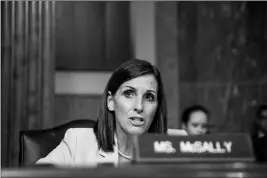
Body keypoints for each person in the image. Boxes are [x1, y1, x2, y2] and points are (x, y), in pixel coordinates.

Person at [36, 59, 187, 167]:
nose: (139, 106)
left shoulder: (178, 145)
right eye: (129, 93)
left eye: (149, 97)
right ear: (111, 102)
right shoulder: (78, 142)